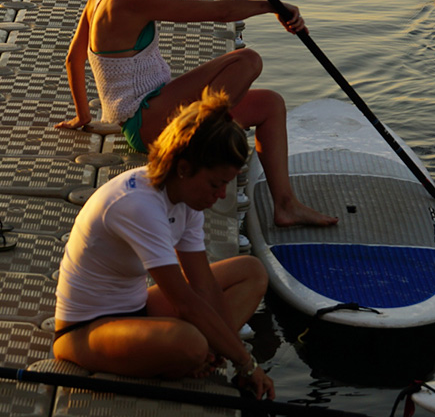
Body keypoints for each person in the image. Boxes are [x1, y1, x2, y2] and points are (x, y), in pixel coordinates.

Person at [56, 0, 336, 228]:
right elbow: (220, 13)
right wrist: (274, 6)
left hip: (147, 116)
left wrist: (83, 116)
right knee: (248, 60)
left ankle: (286, 206)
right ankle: (202, 142)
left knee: (271, 104)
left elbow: (73, 57)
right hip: (145, 120)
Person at [53, 88, 275, 399]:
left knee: (250, 272)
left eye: (226, 184)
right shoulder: (138, 204)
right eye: (216, 183)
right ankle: (192, 356)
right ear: (184, 168)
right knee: (191, 343)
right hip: (83, 331)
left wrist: (237, 357)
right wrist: (247, 363)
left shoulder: (184, 197)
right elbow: (185, 300)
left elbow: (204, 286)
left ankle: (202, 356)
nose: (221, 195)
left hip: (137, 309)